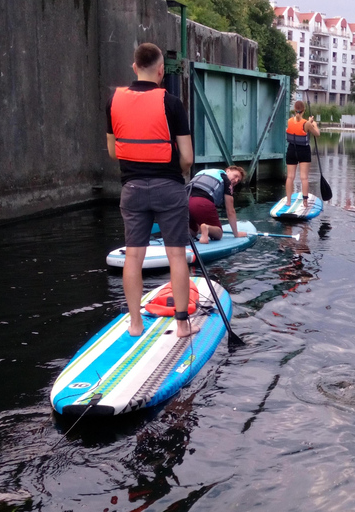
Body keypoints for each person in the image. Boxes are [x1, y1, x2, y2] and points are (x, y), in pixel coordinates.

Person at [106, 42, 198, 338]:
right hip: (168, 187)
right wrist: (177, 173)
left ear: (134, 67)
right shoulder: (172, 103)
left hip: (131, 188)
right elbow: (188, 157)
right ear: (161, 71)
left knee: (133, 257)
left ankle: (135, 323)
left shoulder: (113, 102)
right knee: (176, 255)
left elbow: (113, 151)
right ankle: (182, 324)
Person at [188, 166, 248, 243]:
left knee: (194, 231)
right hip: (201, 202)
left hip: (184, 201)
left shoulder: (204, 173)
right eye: (235, 176)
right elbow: (230, 211)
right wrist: (236, 233)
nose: (236, 180)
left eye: (238, 180)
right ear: (228, 171)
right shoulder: (226, 181)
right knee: (218, 234)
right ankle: (207, 228)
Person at [285, 100, 320, 207]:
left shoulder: (289, 121)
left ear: (295, 110)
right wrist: (314, 124)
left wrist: (309, 122)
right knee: (304, 177)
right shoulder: (307, 124)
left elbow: (297, 122)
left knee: (290, 177)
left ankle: (288, 201)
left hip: (291, 150)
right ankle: (305, 202)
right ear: (304, 110)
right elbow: (317, 134)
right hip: (303, 151)